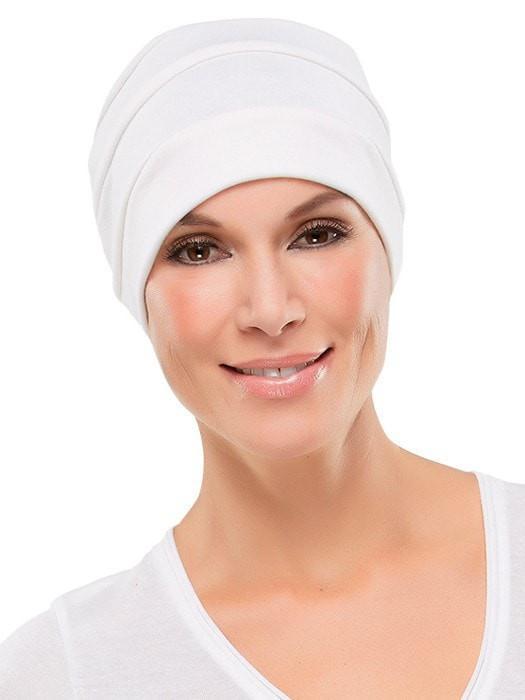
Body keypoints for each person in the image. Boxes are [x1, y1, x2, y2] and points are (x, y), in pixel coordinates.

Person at [1, 17, 524, 699]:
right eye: (198, 250)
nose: (270, 310)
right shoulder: (66, 673)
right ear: (140, 294)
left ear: (386, 255)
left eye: (316, 235)